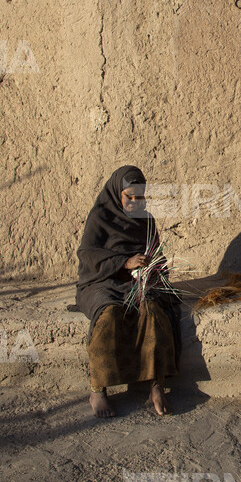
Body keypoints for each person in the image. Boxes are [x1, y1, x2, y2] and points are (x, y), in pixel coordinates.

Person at [75, 165, 182, 418]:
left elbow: (156, 253)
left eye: (140, 197)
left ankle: (155, 384)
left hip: (136, 283)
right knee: (110, 313)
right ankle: (98, 388)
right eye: (129, 196)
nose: (135, 202)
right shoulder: (101, 216)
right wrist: (124, 262)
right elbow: (88, 254)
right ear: (117, 193)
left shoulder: (146, 220)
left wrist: (153, 269)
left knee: (153, 311)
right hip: (103, 282)